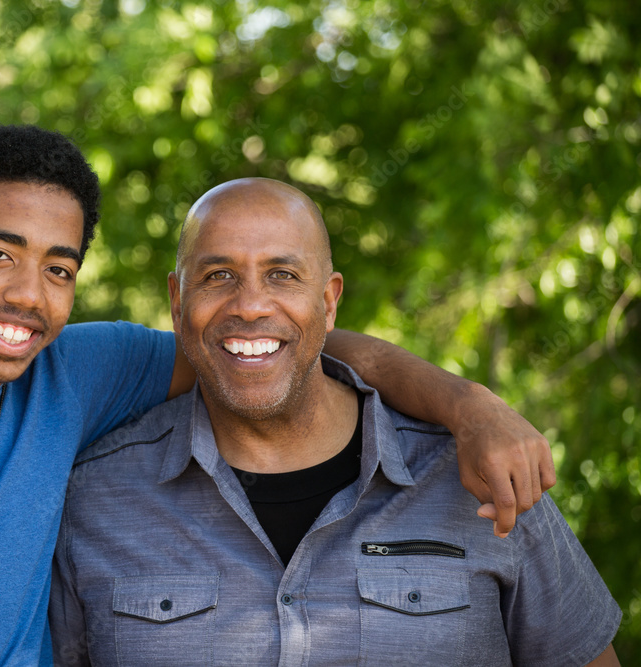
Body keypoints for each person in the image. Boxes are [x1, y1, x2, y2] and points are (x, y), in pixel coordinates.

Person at [0, 126, 551, 666]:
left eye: (59, 268)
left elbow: (279, 344)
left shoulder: (78, 371)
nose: (27, 294)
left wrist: (471, 406)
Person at [49, 178, 621, 666]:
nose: (250, 305)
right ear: (177, 301)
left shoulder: (479, 473)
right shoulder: (95, 498)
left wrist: (470, 403)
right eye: (218, 276)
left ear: (329, 300)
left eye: (283, 275)